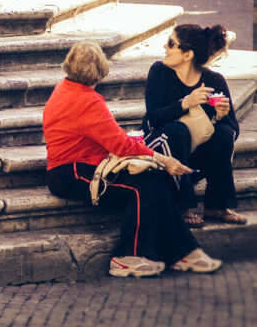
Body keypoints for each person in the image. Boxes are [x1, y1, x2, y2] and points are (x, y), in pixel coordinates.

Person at [43, 39, 222, 277]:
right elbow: (120, 144)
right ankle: (127, 257)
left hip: (77, 168)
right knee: (144, 187)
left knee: (153, 182)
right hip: (73, 173)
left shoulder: (64, 87)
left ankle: (183, 252)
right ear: (99, 71)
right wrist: (164, 159)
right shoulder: (88, 101)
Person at [142, 24, 246, 228]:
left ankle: (217, 205)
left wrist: (220, 116)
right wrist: (184, 104)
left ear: (188, 54)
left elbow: (234, 131)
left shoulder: (214, 80)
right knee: (178, 130)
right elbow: (152, 119)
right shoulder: (159, 72)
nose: (165, 47)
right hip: (159, 153)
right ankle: (184, 206)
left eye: (172, 43)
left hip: (193, 160)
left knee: (224, 133)